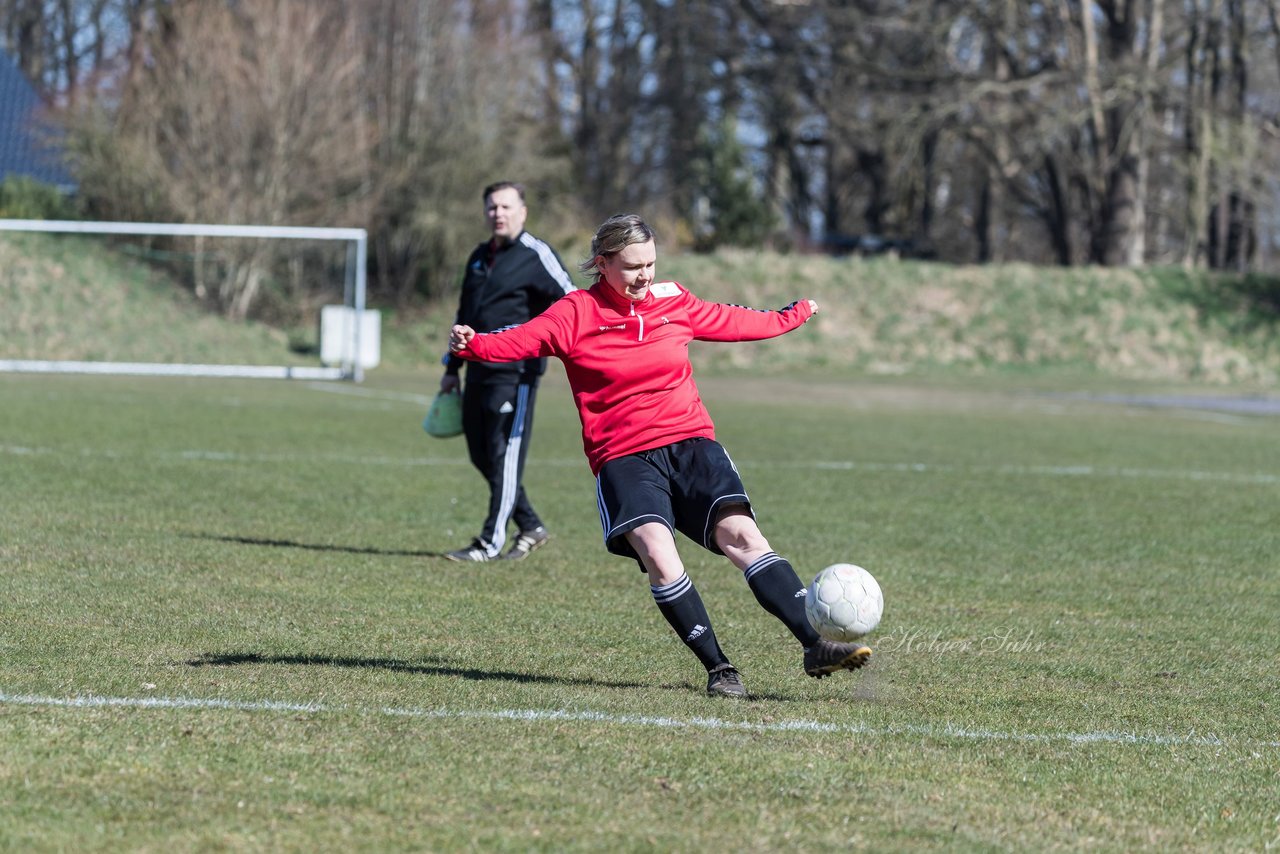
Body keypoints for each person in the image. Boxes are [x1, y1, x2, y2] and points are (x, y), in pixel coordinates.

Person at [448, 213, 871, 697]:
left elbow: (735, 321)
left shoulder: (674, 300)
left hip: (691, 443)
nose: (644, 276)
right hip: (623, 456)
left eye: (649, 263)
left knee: (742, 535)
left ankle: (816, 644)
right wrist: (475, 345)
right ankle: (719, 668)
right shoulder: (574, 313)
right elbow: (522, 338)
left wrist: (790, 315)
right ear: (602, 264)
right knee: (658, 553)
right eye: (632, 267)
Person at [441, 181, 576, 562]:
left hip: (516, 373)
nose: (497, 213)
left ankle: (489, 542)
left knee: (504, 456)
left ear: (522, 211)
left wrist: (545, 340)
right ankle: (530, 525)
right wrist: (452, 367)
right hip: (476, 370)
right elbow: (463, 316)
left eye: (505, 206)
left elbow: (571, 302)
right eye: (491, 207)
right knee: (480, 454)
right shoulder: (479, 256)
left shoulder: (537, 254)